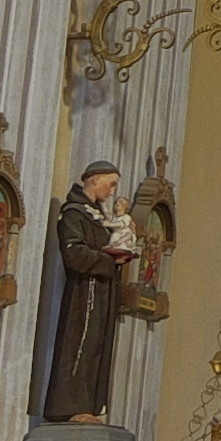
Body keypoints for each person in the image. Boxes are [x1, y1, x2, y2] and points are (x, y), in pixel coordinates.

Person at [36, 161, 137, 423]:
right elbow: (73, 253)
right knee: (81, 343)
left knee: (97, 346)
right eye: (110, 184)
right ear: (94, 180)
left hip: (102, 290)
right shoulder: (74, 213)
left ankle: (89, 405)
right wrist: (108, 260)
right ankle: (70, 406)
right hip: (84, 293)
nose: (112, 191)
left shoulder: (99, 216)